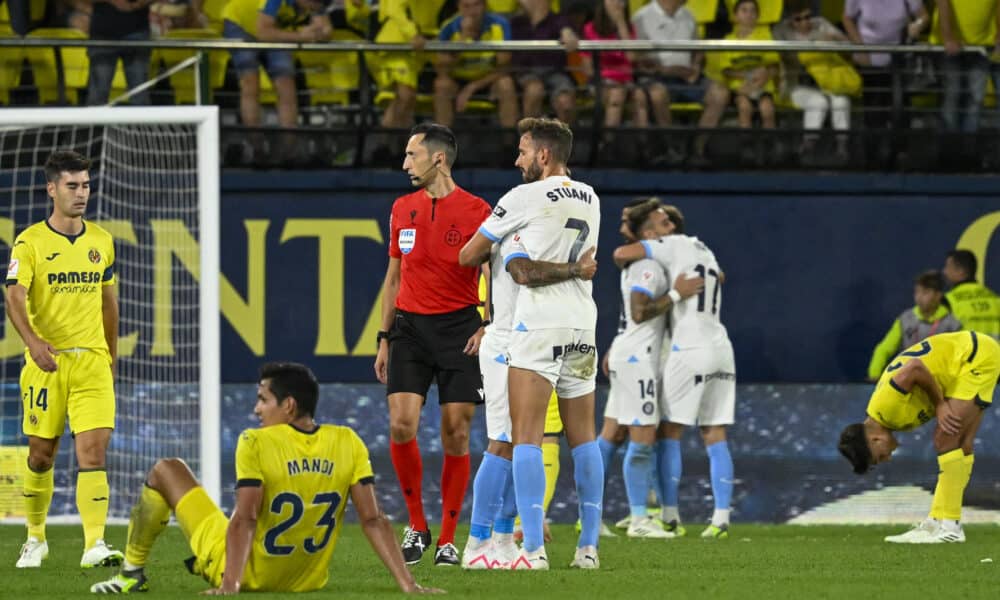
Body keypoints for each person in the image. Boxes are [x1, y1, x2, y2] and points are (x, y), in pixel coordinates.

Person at [89, 362, 441, 594]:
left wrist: (230, 585)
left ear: (288, 406)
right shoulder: (347, 441)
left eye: (263, 400)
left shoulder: (254, 441)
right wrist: (408, 585)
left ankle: (131, 574)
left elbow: (245, 519)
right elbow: (374, 519)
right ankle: (180, 566)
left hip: (244, 572)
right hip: (307, 582)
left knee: (166, 469)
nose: (256, 409)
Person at [460, 117, 604, 570]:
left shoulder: (522, 199)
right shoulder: (590, 196)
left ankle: (531, 550)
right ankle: (588, 548)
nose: (516, 159)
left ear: (543, 155)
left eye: (523, 151)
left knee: (521, 439)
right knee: (585, 441)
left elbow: (468, 255)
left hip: (534, 327)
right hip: (583, 326)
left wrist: (492, 238)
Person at [373, 122, 492, 567]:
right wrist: (384, 338)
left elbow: (490, 276)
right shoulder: (402, 208)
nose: (405, 164)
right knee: (402, 424)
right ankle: (417, 526)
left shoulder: (478, 210)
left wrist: (488, 323)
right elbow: (393, 277)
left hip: (460, 329)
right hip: (409, 330)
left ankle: (446, 537)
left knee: (456, 433)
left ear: (437, 158)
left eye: (411, 155)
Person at [6, 151, 122, 569]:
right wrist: (34, 342)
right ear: (51, 188)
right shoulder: (30, 242)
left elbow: (109, 302)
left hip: (91, 361)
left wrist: (112, 353)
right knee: (41, 455)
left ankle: (95, 544)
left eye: (86, 185)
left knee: (93, 451)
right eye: (72, 186)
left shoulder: (102, 241)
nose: (81, 194)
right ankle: (35, 538)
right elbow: (14, 296)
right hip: (46, 363)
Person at [613, 205, 737, 539]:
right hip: (721, 346)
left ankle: (668, 515)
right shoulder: (703, 248)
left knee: (668, 432)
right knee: (715, 433)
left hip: (689, 347)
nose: (666, 226)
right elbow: (720, 277)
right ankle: (721, 519)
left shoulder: (671, 245)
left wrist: (666, 275)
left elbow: (621, 253)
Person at [839, 331, 1000, 543]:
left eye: (879, 457)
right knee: (962, 446)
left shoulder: (887, 408)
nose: (887, 458)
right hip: (964, 361)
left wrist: (941, 404)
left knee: (944, 438)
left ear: (874, 440)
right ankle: (936, 522)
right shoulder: (886, 417)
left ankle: (951, 527)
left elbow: (914, 368)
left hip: (972, 356)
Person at [606, 198, 702, 539]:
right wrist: (676, 295)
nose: (672, 228)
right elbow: (639, 311)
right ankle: (639, 520)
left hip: (629, 353)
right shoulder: (650, 266)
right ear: (649, 234)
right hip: (638, 359)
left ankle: (604, 514)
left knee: (613, 436)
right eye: (664, 225)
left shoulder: (649, 262)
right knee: (643, 438)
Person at [631, 0, 731, 157]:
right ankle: (672, 148)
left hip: (688, 78)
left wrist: (696, 67)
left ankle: (697, 148)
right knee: (657, 95)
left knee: (720, 93)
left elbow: (697, 51)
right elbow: (637, 57)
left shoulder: (688, 15)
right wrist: (664, 70)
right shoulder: (641, 17)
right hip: (656, 77)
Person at [222, 0, 333, 130]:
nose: (315, 8)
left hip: (273, 28)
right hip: (240, 24)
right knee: (250, 81)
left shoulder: (315, 3)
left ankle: (288, 144)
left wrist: (321, 33)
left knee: (286, 83)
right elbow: (263, 32)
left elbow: (326, 28)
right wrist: (301, 36)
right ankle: (254, 144)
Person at [772, 1, 853, 162]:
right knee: (818, 102)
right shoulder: (780, 30)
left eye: (807, 17)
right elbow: (781, 58)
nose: (805, 22)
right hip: (795, 84)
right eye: (798, 19)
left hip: (827, 80)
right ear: (789, 20)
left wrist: (837, 39)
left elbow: (849, 49)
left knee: (841, 102)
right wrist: (813, 49)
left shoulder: (821, 24)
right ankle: (808, 147)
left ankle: (842, 148)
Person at [434, 0, 519, 128]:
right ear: (458, 7)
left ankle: (509, 143)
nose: (472, 11)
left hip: (488, 79)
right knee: (441, 85)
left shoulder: (500, 24)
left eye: (476, 5)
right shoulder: (449, 27)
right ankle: (443, 142)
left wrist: (472, 87)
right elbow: (442, 70)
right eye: (466, 6)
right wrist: (462, 40)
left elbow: (504, 67)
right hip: (458, 79)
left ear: (484, 6)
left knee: (506, 84)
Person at [370, 0, 453, 129]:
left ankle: (387, 144)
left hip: (425, 43)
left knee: (408, 98)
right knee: (405, 95)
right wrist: (412, 33)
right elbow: (394, 8)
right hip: (398, 42)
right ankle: (387, 143)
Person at [868, 270, 963, 381]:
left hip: (940, 384)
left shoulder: (952, 324)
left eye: (925, 292)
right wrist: (874, 375)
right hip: (908, 381)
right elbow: (884, 349)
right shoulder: (905, 320)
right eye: (917, 292)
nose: (919, 297)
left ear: (938, 295)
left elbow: (962, 356)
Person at [932, 0, 1000, 133]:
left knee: (976, 99)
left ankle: (968, 147)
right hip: (948, 46)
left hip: (981, 45)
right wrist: (948, 36)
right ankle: (950, 147)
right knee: (952, 95)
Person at [510, 0, 581, 125]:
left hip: (555, 72)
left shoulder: (559, 20)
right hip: (526, 73)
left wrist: (568, 34)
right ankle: (530, 141)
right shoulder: (516, 23)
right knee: (534, 90)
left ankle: (563, 141)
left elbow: (567, 31)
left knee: (565, 102)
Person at [581, 0, 649, 128]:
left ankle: (642, 143)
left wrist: (621, 23)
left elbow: (631, 56)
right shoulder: (590, 28)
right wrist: (608, 78)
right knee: (617, 94)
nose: (617, 3)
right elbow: (587, 68)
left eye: (621, 1)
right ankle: (608, 143)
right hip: (600, 80)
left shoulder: (629, 28)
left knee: (640, 97)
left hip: (626, 80)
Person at [721, 0, 780, 131]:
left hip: (762, 86)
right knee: (744, 107)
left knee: (767, 110)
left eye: (753, 11)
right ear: (735, 16)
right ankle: (746, 146)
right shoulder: (728, 40)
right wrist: (747, 76)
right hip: (740, 87)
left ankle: (769, 147)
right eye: (744, 10)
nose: (749, 14)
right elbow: (726, 70)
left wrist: (759, 81)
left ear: (758, 16)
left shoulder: (765, 37)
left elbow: (774, 67)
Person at [87, 0, 153, 105]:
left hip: (137, 32)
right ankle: (94, 121)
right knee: (99, 93)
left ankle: (141, 121)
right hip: (103, 35)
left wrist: (138, 4)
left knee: (139, 94)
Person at [942, 249, 1000, 339]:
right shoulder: (995, 299)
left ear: (961, 271)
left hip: (967, 352)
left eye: (948, 267)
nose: (944, 272)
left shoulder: (948, 301)